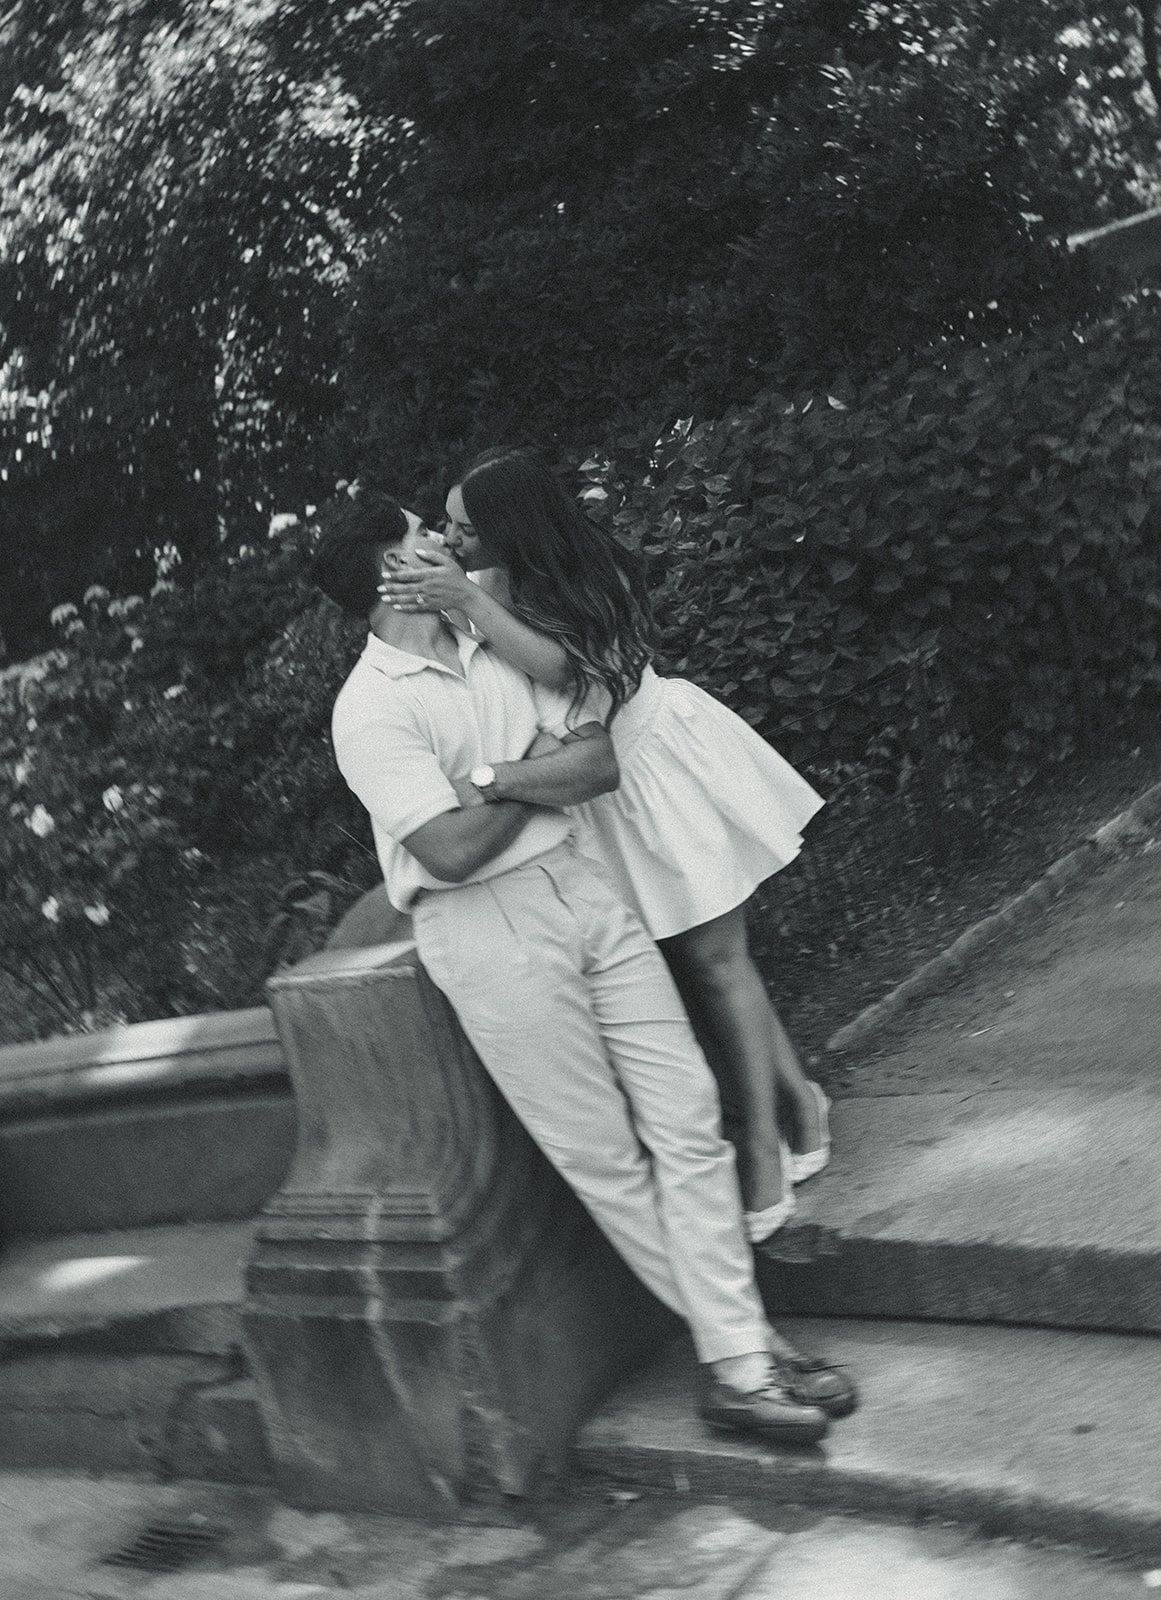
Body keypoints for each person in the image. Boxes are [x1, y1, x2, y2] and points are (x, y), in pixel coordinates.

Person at [313, 488, 856, 1444]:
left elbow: (596, 765)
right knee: (607, 1160)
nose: (442, 541)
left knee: (688, 1119)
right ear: (389, 573)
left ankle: (744, 1356)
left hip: (585, 891)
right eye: (420, 535)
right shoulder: (368, 711)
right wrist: (534, 770)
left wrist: (488, 781)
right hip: (489, 935)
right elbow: (445, 854)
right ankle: (746, 1356)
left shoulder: (497, 637)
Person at [377, 447, 829, 1241]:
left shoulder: (598, 577)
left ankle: (762, 1144)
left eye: (463, 528)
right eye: (444, 526)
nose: (450, 541)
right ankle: (803, 1099)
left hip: (658, 769)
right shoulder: (478, 585)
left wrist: (473, 606)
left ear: (512, 529)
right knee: (700, 971)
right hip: (588, 797)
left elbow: (577, 676)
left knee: (718, 963)